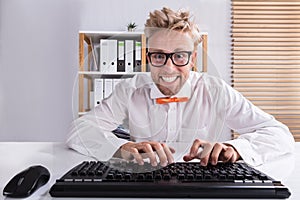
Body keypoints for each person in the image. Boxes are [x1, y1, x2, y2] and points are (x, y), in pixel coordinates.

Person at [67, 7, 294, 167]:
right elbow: (79, 131)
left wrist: (236, 148)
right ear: (148, 57)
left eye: (179, 57)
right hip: (144, 182)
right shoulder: (130, 89)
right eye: (159, 56)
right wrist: (119, 147)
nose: (168, 69)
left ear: (192, 59)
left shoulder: (215, 89)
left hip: (203, 184)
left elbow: (280, 134)